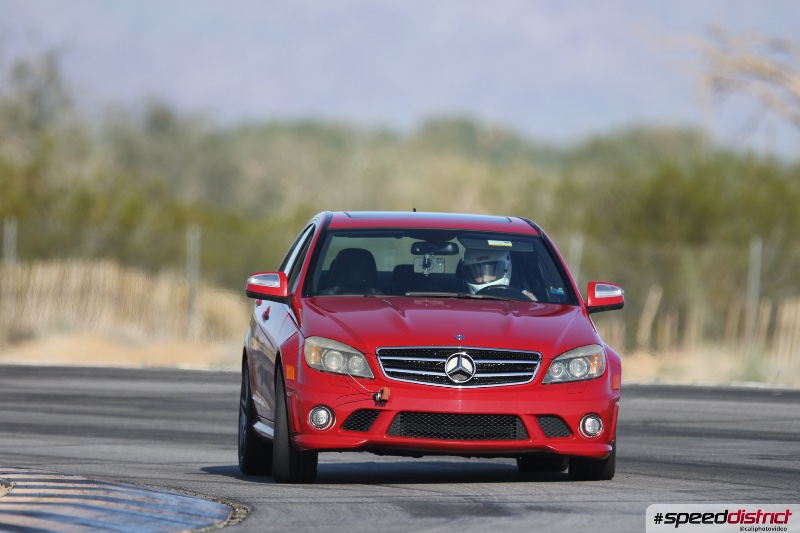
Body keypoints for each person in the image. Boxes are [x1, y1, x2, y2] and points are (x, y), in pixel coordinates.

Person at [461, 248, 537, 301]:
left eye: (491, 271)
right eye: (477, 273)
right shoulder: (460, 303)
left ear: (506, 268)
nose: (485, 278)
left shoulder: (523, 300)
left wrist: (532, 304)